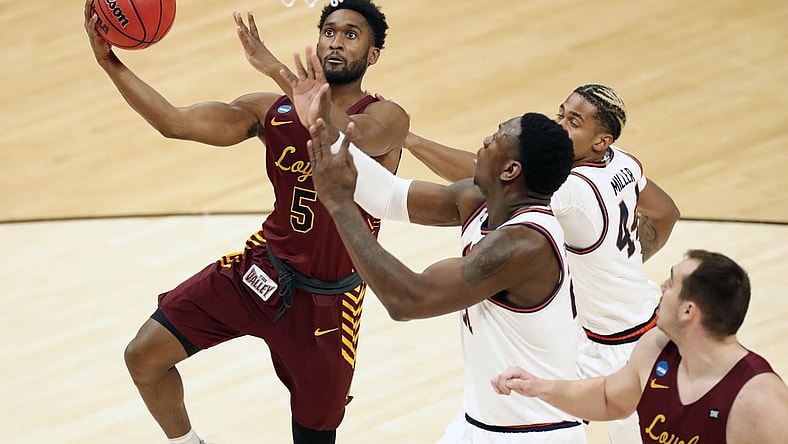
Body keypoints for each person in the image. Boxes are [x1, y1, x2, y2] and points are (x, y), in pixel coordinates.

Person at [83, 0, 409, 443]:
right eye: (329, 31)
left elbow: (350, 136)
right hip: (262, 269)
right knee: (143, 356)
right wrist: (109, 62)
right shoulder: (269, 111)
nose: (336, 41)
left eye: (351, 35)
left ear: (372, 56)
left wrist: (279, 70)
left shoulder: (386, 117)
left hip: (328, 303)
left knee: (315, 435)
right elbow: (174, 122)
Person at [290, 58, 586, 441]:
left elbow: (409, 299)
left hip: (535, 433)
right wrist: (322, 128)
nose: (484, 142)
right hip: (478, 423)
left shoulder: (523, 245)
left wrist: (341, 205)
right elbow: (389, 196)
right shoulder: (478, 199)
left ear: (511, 171)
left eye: (495, 139)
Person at [401, 84, 680, 442]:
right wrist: (621, 263)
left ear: (600, 141)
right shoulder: (623, 160)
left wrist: (410, 141)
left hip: (630, 347)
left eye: (574, 122)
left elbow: (489, 175)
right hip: (605, 333)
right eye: (560, 114)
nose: (561, 125)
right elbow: (666, 212)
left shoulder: (573, 189)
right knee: (540, 426)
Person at [491, 249, 788, 443]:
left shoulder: (761, 401)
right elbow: (609, 399)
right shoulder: (657, 348)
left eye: (671, 284)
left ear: (688, 311)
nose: (661, 287)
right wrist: (539, 387)